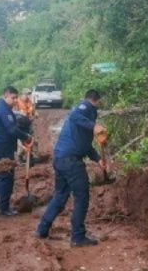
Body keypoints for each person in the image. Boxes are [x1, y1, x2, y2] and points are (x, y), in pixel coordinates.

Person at [36, 89, 107, 247]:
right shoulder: (84, 108)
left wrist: (98, 159)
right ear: (97, 101)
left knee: (60, 195)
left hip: (61, 159)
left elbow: (85, 145)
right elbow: (74, 116)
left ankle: (42, 229)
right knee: (82, 196)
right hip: (71, 161)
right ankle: (78, 237)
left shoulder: (86, 115)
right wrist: (94, 126)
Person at [0, 86, 32, 216]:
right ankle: (4, 208)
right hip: (1, 147)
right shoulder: (4, 110)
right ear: (5, 95)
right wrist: (26, 137)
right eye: (13, 97)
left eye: (17, 97)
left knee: (1, 174)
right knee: (7, 176)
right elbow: (11, 130)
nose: (16, 100)